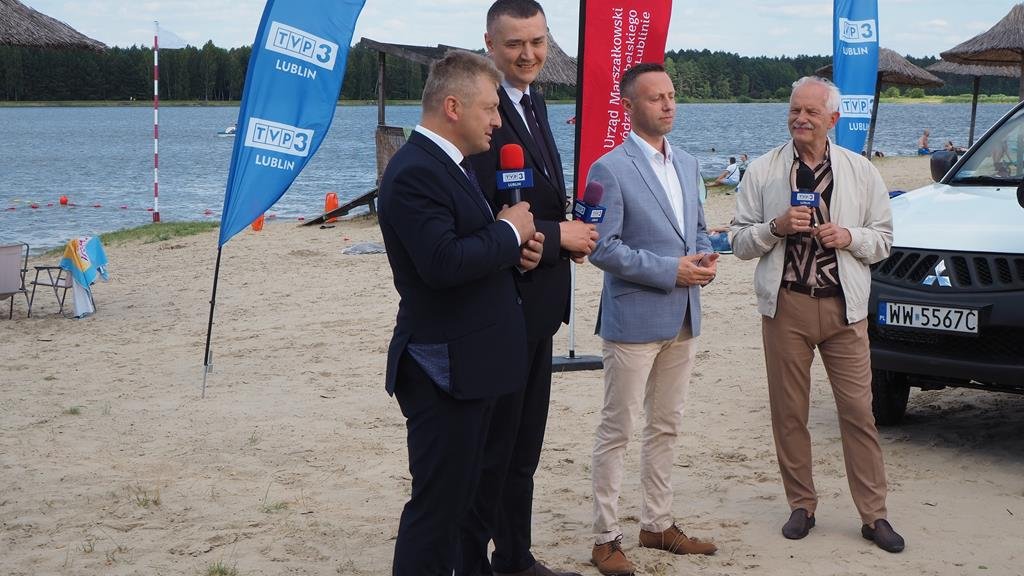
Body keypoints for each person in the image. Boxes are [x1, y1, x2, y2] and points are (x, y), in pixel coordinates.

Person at [378, 49, 545, 575]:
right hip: (443, 368)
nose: (498, 120)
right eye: (490, 109)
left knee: (469, 502)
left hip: (475, 364)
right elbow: (442, 263)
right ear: (453, 107)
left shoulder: (453, 165)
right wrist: (508, 233)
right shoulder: (414, 171)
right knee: (437, 510)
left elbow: (467, 246)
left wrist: (513, 251)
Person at [729, 76, 905, 554]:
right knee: (790, 413)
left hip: (845, 309)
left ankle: (874, 515)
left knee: (859, 413)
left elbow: (884, 240)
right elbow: (738, 240)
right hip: (786, 305)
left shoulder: (861, 170)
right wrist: (775, 227)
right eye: (794, 110)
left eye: (811, 112)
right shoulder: (763, 170)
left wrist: (850, 237)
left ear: (833, 119)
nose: (800, 119)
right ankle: (801, 506)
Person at [460, 2, 597, 575]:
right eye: (515, 43)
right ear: (490, 44)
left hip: (541, 303)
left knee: (524, 447)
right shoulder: (481, 111)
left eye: (537, 42)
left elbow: (533, 197)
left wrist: (565, 238)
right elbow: (476, 211)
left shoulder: (535, 102)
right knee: (493, 448)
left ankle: (515, 557)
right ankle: (472, 561)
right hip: (501, 306)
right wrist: (556, 233)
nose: (528, 54)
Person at [586, 63, 719, 576]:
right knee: (617, 429)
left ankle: (658, 525)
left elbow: (699, 229)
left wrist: (703, 257)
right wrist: (671, 270)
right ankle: (606, 537)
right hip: (634, 318)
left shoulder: (687, 163)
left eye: (671, 95)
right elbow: (602, 248)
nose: (667, 105)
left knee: (666, 425)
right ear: (629, 106)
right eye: (655, 97)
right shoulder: (609, 169)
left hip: (684, 314)